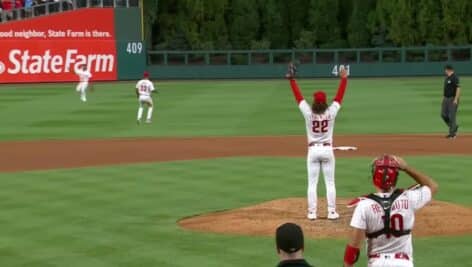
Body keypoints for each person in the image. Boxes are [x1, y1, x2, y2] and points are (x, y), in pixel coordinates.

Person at [343, 155, 439, 267]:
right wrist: (406, 167)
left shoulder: (364, 205)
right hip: (404, 263)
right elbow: (432, 185)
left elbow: (352, 250)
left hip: (377, 263)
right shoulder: (409, 198)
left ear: (374, 177)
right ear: (396, 178)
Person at [286, 63, 348, 220]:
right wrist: (344, 79)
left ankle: (312, 212)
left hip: (313, 151)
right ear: (325, 102)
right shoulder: (331, 112)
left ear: (314, 101)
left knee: (312, 184)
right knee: (330, 183)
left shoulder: (308, 112)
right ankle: (332, 212)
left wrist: (292, 80)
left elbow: (298, 97)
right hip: (327, 150)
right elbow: (339, 97)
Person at [441, 65, 461, 139]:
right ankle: (454, 127)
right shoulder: (447, 78)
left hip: (452, 99)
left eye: (445, 70)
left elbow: (458, 88)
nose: (445, 71)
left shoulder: (455, 77)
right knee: (443, 114)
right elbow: (445, 89)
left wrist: (456, 99)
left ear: (448, 70)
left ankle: (452, 134)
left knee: (452, 116)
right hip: (446, 99)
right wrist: (443, 98)